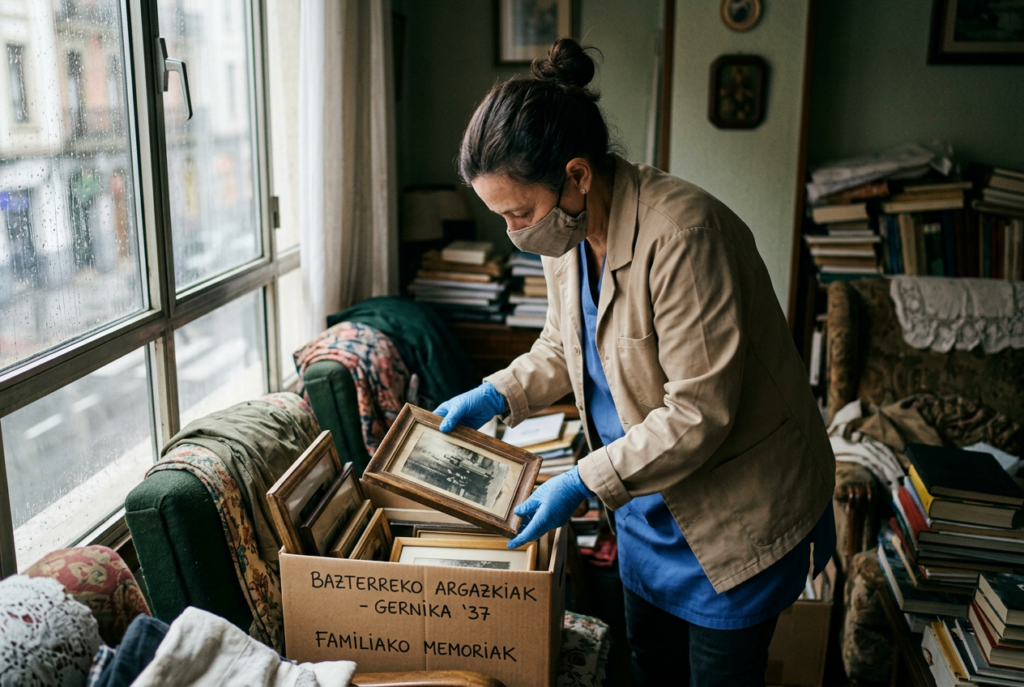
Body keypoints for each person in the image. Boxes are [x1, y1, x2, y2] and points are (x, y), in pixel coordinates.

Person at [434, 38, 836, 687]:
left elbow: (698, 413)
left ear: (578, 175)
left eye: (519, 212)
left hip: (733, 513)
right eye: (502, 216)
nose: (515, 231)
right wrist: (497, 392)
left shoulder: (683, 237)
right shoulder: (562, 232)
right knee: (650, 669)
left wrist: (580, 482)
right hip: (648, 509)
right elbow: (567, 345)